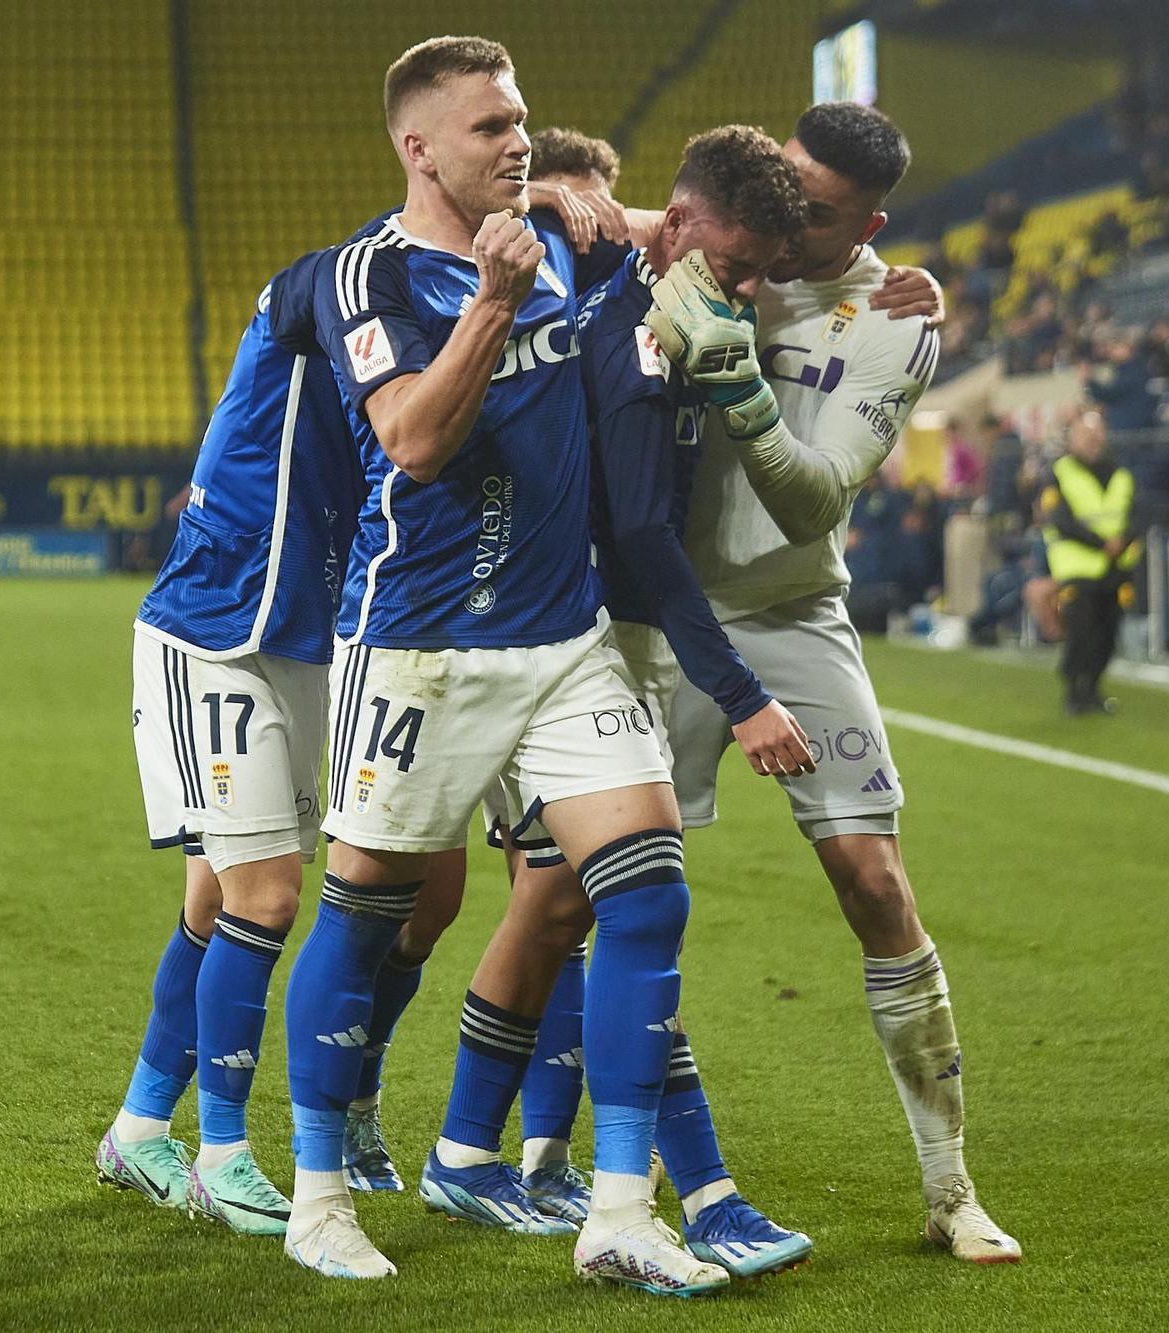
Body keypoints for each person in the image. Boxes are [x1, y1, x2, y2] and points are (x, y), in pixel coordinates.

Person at [288, 36, 723, 1292]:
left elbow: (694, 232)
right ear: (416, 147)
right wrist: (490, 299)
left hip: (567, 642)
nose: (515, 141)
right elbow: (413, 442)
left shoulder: (561, 231)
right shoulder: (364, 276)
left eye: (520, 119)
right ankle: (321, 1194)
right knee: (367, 911)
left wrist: (863, 273)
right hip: (419, 648)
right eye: (486, 128)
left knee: (645, 894)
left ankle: (622, 1213)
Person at [423, 123, 822, 1279]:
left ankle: (484, 1152)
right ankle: (689, 1193)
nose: (748, 292)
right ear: (691, 230)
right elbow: (644, 534)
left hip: (573, 637)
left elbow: (653, 227)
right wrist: (740, 694)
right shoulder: (634, 334)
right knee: (614, 905)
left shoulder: (651, 282)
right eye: (739, 268)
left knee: (557, 914)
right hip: (572, 644)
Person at [645, 99, 1022, 1263]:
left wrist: (740, 392)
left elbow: (815, 497)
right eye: (776, 195)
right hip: (653, 617)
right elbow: (603, 204)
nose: (778, 224)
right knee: (597, 895)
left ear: (868, 220)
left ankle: (951, 1189)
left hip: (792, 615)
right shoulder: (718, 250)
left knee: (874, 880)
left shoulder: (895, 320)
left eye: (807, 211)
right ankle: (592, 1168)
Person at [105, 232, 470, 1235]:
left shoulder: (446, 335)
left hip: (311, 641)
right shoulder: (335, 282)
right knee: (264, 894)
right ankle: (219, 1151)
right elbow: (317, 286)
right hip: (213, 630)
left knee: (216, 897)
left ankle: (139, 1126)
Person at [1043, 408, 1140, 715]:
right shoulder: (1059, 472)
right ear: (1072, 439)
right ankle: (1075, 691)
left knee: (1108, 633)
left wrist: (1121, 541)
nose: (1093, 441)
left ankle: (1094, 688)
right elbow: (1061, 520)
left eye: (1097, 435)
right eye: (1086, 435)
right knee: (1080, 632)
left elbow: (1138, 513)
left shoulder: (1121, 474)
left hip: (1116, 567)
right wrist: (1101, 543)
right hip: (1078, 567)